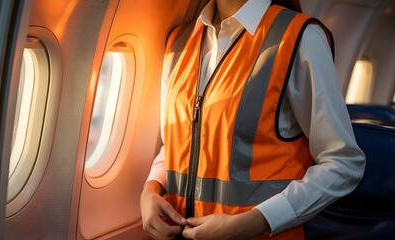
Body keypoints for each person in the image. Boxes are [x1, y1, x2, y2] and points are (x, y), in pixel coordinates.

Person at [140, 0, 366, 239]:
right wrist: (151, 188)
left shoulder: (299, 37)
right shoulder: (179, 41)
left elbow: (343, 162)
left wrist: (254, 222)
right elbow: (178, 144)